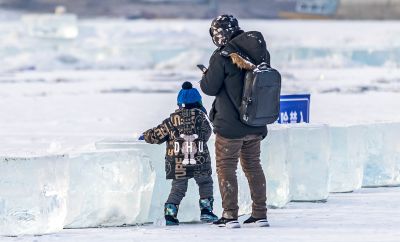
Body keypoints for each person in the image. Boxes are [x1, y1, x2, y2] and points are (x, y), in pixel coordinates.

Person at [200, 14, 270, 228]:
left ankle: (230, 215)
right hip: (255, 121)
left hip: (230, 126)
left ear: (218, 34)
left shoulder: (222, 56)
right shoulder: (259, 51)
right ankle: (260, 214)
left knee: (226, 167)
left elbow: (209, 88)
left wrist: (206, 75)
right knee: (253, 166)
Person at [140, 81, 218, 226]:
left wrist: (146, 136)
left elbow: (157, 134)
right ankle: (206, 211)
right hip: (200, 159)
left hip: (177, 162)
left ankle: (170, 215)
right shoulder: (202, 118)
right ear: (199, 102)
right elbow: (207, 134)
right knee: (205, 183)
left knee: (178, 188)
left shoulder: (171, 120)